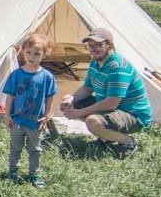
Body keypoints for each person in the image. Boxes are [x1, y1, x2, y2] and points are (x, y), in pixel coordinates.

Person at [59, 27, 151, 159]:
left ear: (110, 45)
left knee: (93, 121)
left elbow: (111, 104)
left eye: (98, 45)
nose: (93, 49)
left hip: (133, 115)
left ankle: (128, 142)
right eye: (90, 46)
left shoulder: (118, 67)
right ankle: (107, 137)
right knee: (70, 100)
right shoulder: (95, 63)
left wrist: (78, 113)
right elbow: (87, 88)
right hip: (115, 110)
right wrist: (70, 99)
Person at [4, 33, 58, 188]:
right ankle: (13, 170)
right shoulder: (16, 74)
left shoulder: (47, 76)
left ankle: (35, 173)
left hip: (35, 121)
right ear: (23, 52)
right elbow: (10, 96)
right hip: (17, 120)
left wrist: (47, 116)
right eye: (28, 52)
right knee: (15, 147)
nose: (31, 57)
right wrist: (7, 114)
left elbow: (50, 98)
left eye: (36, 53)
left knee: (35, 149)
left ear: (44, 54)